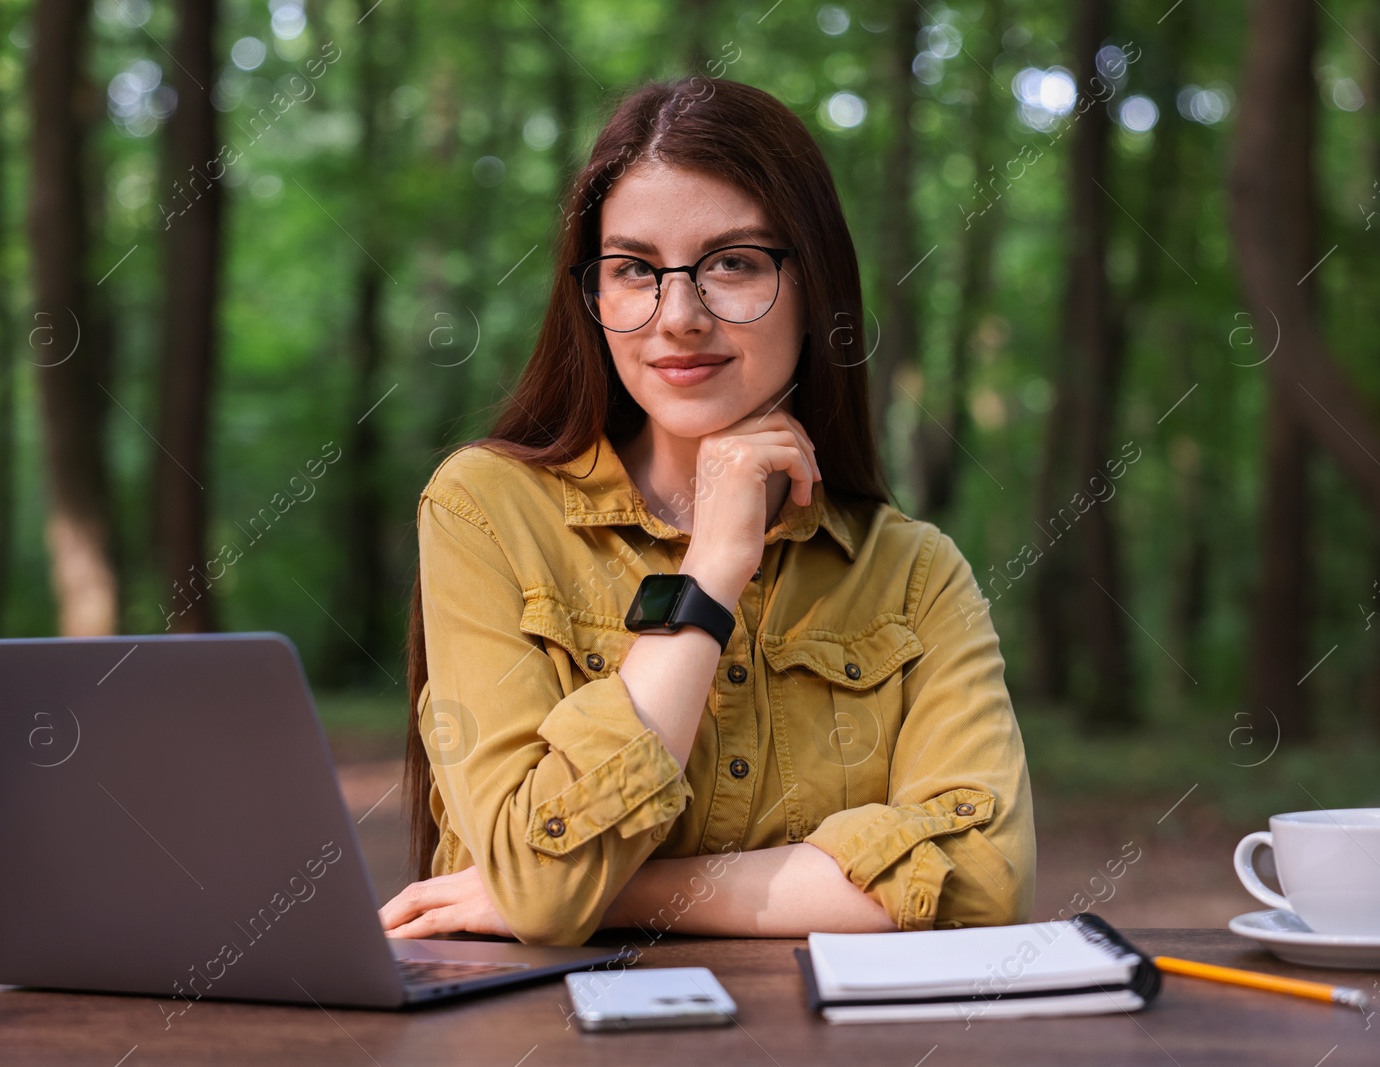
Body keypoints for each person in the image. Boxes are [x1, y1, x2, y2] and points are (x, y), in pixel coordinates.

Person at [378, 76, 1034, 947]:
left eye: (733, 262)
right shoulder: (487, 509)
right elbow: (537, 883)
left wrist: (614, 894)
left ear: (815, 289)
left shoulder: (914, 573)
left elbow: (983, 877)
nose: (678, 316)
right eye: (633, 270)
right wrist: (710, 571)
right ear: (594, 297)